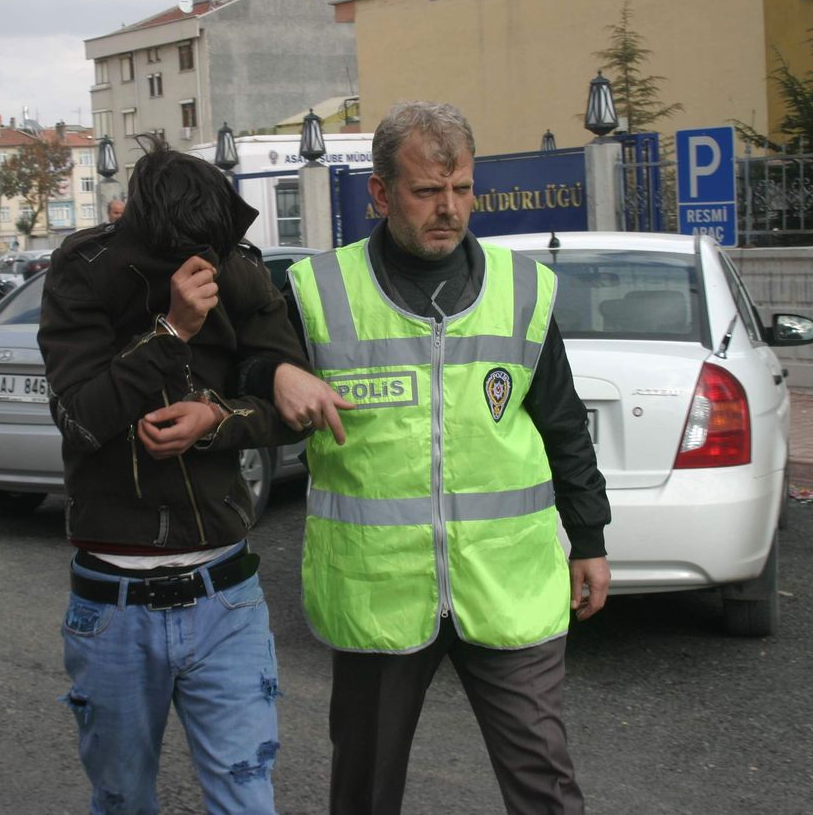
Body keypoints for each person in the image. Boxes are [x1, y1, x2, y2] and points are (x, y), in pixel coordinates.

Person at [271, 101, 612, 815]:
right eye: (428, 192)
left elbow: (562, 425)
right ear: (381, 193)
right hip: (379, 592)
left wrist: (589, 539)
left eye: (461, 190)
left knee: (546, 782)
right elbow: (247, 372)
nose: (448, 209)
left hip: (505, 583)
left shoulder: (524, 292)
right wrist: (267, 375)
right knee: (363, 789)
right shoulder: (318, 292)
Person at [37, 137, 309, 814]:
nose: (198, 267)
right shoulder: (83, 273)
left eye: (208, 254)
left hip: (226, 594)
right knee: (124, 798)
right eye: (180, 256)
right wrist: (171, 331)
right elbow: (79, 419)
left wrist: (215, 420)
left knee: (246, 797)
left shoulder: (236, 269)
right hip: (113, 603)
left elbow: (291, 412)